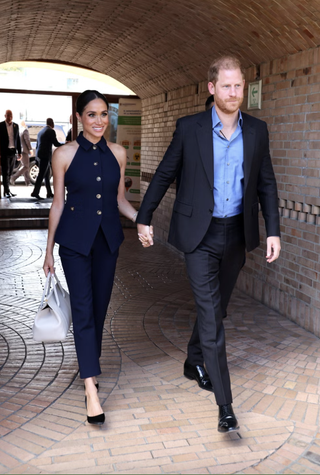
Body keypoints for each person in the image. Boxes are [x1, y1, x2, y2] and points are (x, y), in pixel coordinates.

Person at [136, 55, 281, 433]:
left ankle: (192, 359)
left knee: (218, 308)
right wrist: (143, 216)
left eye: (239, 86)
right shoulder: (190, 128)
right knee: (212, 314)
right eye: (227, 86)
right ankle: (225, 405)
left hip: (237, 233)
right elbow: (166, 173)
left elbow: (266, 183)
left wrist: (273, 231)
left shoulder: (258, 130)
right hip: (199, 235)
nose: (234, 93)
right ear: (212, 88)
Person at [43, 90, 139, 426]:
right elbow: (57, 204)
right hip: (74, 243)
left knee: (99, 309)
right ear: (79, 118)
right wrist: (48, 250)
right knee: (83, 309)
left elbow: (119, 200)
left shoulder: (118, 153)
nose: (99, 121)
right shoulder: (63, 154)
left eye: (103, 114)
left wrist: (139, 219)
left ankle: (89, 366)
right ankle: (91, 390)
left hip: (107, 242)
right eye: (91, 115)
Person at [31, 118, 63, 200]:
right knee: (41, 175)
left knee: (47, 175)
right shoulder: (51, 131)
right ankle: (35, 192)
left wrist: (36, 158)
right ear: (52, 124)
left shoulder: (41, 131)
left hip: (39, 156)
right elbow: (56, 143)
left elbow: (38, 145)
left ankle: (49, 192)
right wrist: (65, 144)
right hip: (45, 156)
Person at [0, 110, 21, 198]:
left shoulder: (16, 126)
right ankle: (6, 191)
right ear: (5, 116)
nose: (9, 117)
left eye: (11, 115)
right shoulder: (1, 125)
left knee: (11, 171)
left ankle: (7, 190)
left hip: (13, 151)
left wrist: (19, 152)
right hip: (4, 151)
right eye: (8, 115)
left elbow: (18, 139)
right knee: (5, 172)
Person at [10, 120, 32, 186]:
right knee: (26, 166)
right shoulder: (25, 130)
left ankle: (27, 182)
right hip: (24, 151)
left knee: (25, 166)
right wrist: (30, 149)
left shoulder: (20, 130)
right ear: (24, 123)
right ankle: (13, 178)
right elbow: (27, 140)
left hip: (21, 150)